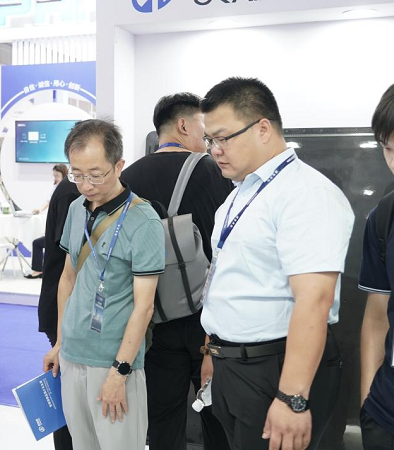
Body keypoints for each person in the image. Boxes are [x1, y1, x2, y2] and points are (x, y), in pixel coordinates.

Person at [199, 77, 354, 450]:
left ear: (263, 128)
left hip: (277, 369)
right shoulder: (239, 194)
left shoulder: (306, 194)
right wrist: (212, 351)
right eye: (209, 140)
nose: (215, 150)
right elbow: (225, 278)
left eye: (223, 138)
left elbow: (314, 300)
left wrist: (292, 397)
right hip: (231, 365)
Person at [42, 119, 165, 450]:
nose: (86, 185)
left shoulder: (144, 220)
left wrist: (120, 371)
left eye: (96, 174)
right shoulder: (75, 209)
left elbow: (144, 306)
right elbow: (68, 279)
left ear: (119, 165)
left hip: (113, 363)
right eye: (77, 175)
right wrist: (60, 342)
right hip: (72, 357)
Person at [120, 92, 231, 450]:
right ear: (183, 125)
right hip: (206, 319)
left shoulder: (127, 179)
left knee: (163, 419)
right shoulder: (212, 171)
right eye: (203, 126)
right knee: (215, 415)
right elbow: (226, 248)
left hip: (152, 319)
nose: (207, 136)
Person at [358, 79, 394, 450]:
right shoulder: (385, 216)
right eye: (387, 149)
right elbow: (377, 317)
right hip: (387, 411)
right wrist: (367, 406)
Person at [37, 168, 82, 450]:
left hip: (71, 309)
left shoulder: (74, 190)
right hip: (63, 310)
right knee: (67, 400)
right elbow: (71, 261)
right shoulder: (70, 194)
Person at [26, 164, 70, 279]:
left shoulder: (66, 191)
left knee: (37, 243)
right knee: (38, 243)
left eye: (57, 176)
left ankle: (38, 270)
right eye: (54, 176)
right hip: (55, 228)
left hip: (61, 231)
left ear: (64, 175)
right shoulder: (57, 188)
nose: (55, 178)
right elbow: (48, 201)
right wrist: (39, 209)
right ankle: (39, 270)